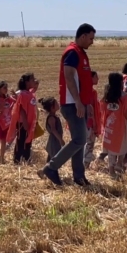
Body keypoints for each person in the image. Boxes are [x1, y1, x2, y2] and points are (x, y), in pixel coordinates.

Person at [39, 23, 96, 187]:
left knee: (81, 140)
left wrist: (87, 103)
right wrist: (78, 102)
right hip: (72, 104)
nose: (92, 42)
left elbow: (83, 81)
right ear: (83, 36)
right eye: (91, 38)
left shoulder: (81, 53)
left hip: (80, 104)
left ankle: (79, 176)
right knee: (79, 139)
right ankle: (51, 167)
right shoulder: (72, 53)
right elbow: (69, 77)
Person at [100, 73, 127, 176]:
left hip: (109, 126)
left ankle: (111, 170)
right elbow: (126, 112)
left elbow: (103, 110)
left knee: (111, 149)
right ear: (121, 83)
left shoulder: (106, 96)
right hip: (121, 125)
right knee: (123, 147)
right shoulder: (125, 97)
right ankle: (119, 163)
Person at [7, 73, 38, 164]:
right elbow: (21, 108)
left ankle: (26, 158)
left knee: (28, 140)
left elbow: (36, 86)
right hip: (22, 122)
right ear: (27, 82)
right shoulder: (22, 94)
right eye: (32, 79)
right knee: (21, 141)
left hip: (29, 122)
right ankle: (17, 160)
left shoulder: (29, 93)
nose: (34, 81)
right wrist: (24, 122)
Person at [83, 71, 102, 168]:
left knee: (83, 142)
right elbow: (91, 108)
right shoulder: (92, 92)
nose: (98, 79)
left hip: (82, 122)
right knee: (89, 143)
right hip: (90, 122)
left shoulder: (82, 90)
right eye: (96, 77)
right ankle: (85, 164)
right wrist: (94, 123)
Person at [0, 81, 14, 164]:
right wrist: (0, 107)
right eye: (4, 88)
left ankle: (2, 157)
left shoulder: (7, 97)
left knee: (4, 140)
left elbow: (13, 102)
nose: (6, 89)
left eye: (6, 87)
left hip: (6, 121)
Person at [40, 97, 65, 162]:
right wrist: (60, 139)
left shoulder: (54, 116)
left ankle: (48, 170)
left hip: (55, 140)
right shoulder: (51, 118)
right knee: (54, 157)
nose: (58, 104)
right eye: (56, 103)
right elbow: (53, 130)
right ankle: (51, 170)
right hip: (54, 141)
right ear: (52, 107)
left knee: (53, 157)